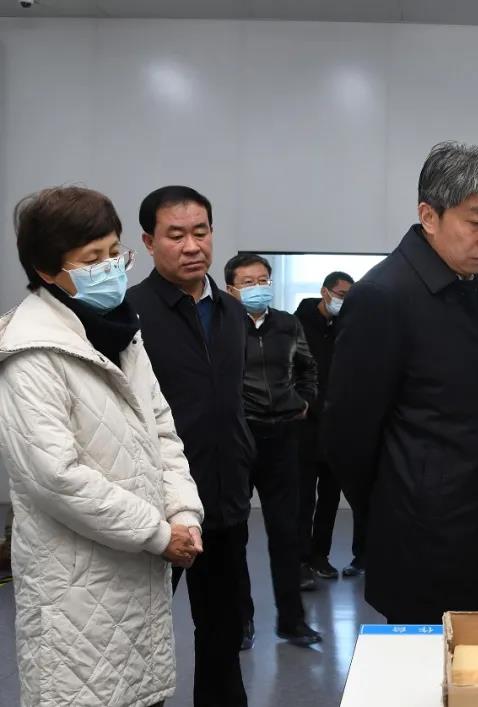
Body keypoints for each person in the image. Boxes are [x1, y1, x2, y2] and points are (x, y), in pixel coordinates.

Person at [0, 186, 204, 707]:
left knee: (144, 693)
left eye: (115, 252)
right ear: (47, 271)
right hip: (76, 588)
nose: (111, 268)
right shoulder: (30, 352)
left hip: (138, 575)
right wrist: (158, 533)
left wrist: (184, 513)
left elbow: (162, 430)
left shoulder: (120, 333)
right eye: (92, 259)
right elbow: (56, 477)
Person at [323, 141, 478, 624]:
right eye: (475, 221)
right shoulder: (384, 296)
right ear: (428, 216)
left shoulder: (475, 285)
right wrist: (406, 508)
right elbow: (347, 438)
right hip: (426, 549)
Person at [127, 185, 253, 706]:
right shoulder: (126, 314)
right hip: (157, 508)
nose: (191, 246)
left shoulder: (231, 313)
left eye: (200, 232)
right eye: (175, 235)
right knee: (137, 640)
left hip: (225, 502)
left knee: (222, 634)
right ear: (149, 242)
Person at [225, 253, 322, 646]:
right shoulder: (222, 324)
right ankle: (240, 622)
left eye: (263, 280)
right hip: (239, 436)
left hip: (283, 435)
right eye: (248, 282)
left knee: (287, 532)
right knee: (234, 534)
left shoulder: (287, 323)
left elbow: (308, 367)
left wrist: (304, 401)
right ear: (231, 289)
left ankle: (292, 621)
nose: (257, 288)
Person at [295, 271, 366, 581]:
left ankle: (320, 556)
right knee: (302, 500)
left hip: (337, 430)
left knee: (330, 498)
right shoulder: (296, 325)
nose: (345, 301)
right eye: (341, 294)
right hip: (304, 428)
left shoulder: (348, 327)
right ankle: (299, 561)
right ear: (325, 292)